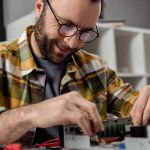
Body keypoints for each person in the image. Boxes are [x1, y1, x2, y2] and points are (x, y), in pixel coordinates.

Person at [0, 0, 150, 147]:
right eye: (66, 25)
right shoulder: (2, 60)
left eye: (85, 32)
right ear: (40, 8)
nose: (72, 43)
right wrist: (31, 114)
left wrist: (146, 105)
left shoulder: (96, 68)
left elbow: (136, 106)